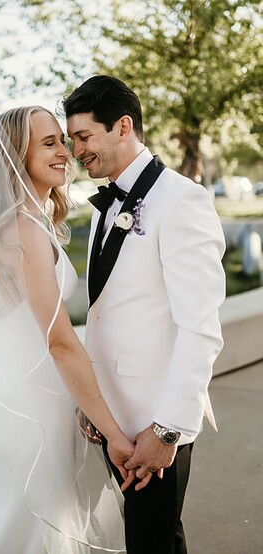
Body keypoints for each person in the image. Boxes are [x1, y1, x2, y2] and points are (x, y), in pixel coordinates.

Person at [0, 106, 135, 553]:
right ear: (17, 155)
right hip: (32, 408)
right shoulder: (24, 231)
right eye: (48, 143)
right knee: (37, 532)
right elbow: (60, 341)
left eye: (62, 141)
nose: (65, 153)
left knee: (15, 524)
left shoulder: (23, 223)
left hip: (19, 392)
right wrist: (114, 433)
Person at [64, 75, 225, 553]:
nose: (76, 151)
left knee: (152, 541)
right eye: (72, 140)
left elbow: (200, 329)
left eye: (84, 136)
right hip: (114, 421)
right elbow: (105, 314)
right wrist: (93, 402)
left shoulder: (182, 200)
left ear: (122, 127)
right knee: (153, 539)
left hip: (155, 421)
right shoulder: (103, 206)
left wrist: (167, 429)